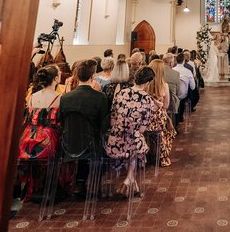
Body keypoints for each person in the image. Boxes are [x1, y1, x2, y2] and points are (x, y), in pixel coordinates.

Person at [105, 67, 159, 196]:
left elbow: (113, 119)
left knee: (132, 142)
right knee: (138, 143)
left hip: (115, 140)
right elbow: (142, 129)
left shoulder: (121, 93)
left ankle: (132, 183)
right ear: (148, 83)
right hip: (132, 141)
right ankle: (129, 179)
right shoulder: (146, 98)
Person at [59, 60, 109, 195]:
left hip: (69, 143)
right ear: (92, 77)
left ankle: (80, 181)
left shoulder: (65, 98)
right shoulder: (100, 97)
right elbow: (104, 124)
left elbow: (62, 121)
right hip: (91, 144)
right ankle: (95, 182)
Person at [17, 65, 62, 200]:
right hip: (48, 137)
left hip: (28, 136)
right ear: (55, 78)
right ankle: (51, 187)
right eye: (59, 73)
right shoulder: (59, 98)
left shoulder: (32, 97)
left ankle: (33, 186)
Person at [147, 59, 177, 166]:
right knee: (169, 130)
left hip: (146, 119)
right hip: (158, 120)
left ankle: (148, 154)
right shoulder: (164, 86)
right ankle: (161, 155)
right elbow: (166, 105)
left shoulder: (145, 86)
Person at [173, 52, 196, 127]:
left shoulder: (172, 70)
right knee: (186, 94)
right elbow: (193, 86)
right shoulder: (188, 71)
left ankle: (176, 117)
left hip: (173, 94)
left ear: (176, 60)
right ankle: (180, 116)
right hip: (183, 95)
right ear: (184, 61)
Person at [162, 53, 181, 121]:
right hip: (171, 103)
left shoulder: (157, 71)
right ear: (171, 63)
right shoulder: (176, 74)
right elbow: (178, 91)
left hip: (159, 101)